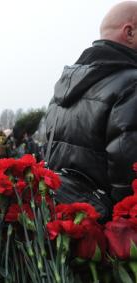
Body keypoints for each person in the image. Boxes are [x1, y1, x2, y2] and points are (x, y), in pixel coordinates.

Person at [45, 1, 137, 217]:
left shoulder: (64, 85)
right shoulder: (131, 82)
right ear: (130, 32)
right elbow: (129, 175)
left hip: (67, 220)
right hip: (111, 229)